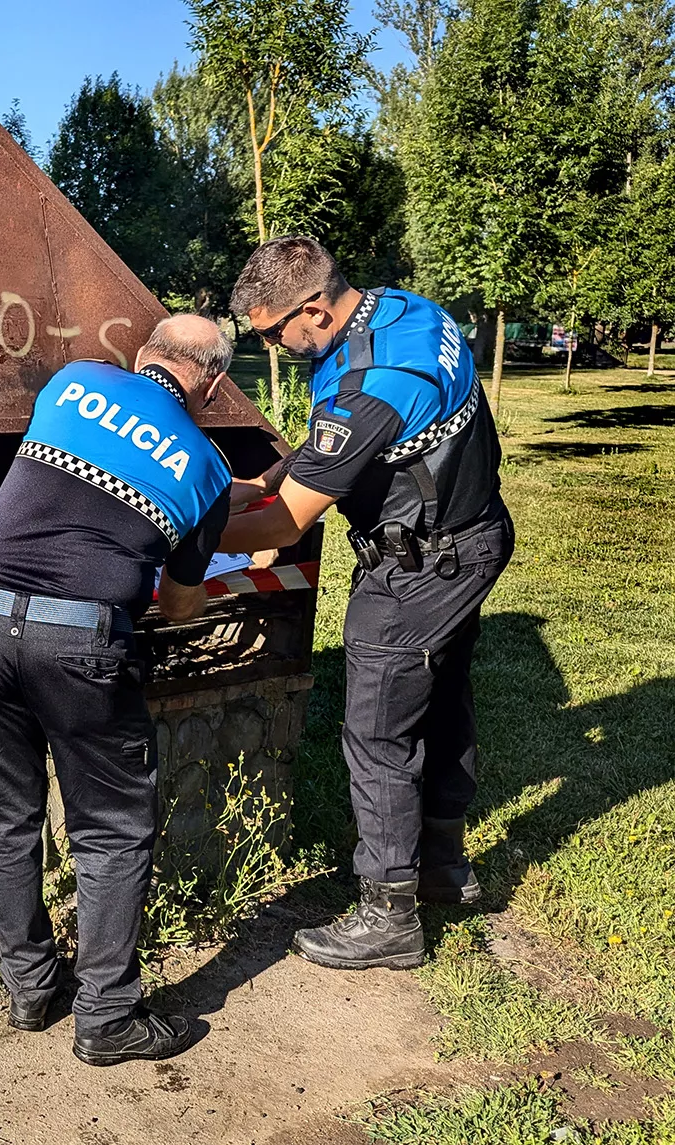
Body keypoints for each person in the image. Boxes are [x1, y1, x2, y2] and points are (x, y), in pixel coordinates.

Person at [219, 236, 514, 971]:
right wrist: (261, 481)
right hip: (472, 533)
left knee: (378, 728)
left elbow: (290, 522)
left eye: (271, 333)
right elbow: (337, 446)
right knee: (441, 692)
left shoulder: (376, 381)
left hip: (420, 564)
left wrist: (181, 531)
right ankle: (443, 862)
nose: (273, 348)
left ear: (314, 309)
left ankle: (389, 912)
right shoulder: (403, 310)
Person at [0, 315, 235, 1066]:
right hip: (80, 639)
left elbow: (98, 462)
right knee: (111, 824)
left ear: (143, 355)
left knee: (2, 809)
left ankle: (30, 988)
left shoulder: (75, 379)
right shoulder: (207, 468)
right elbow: (176, 603)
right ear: (211, 382)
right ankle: (106, 1016)